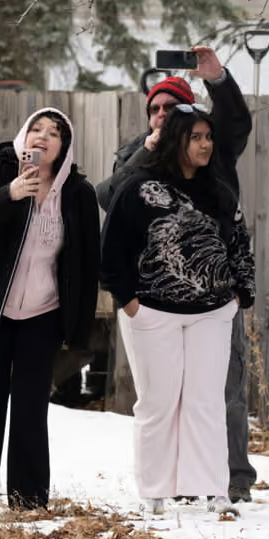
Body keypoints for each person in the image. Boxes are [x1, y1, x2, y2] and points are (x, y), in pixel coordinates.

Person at [95, 47, 257, 504]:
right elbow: (111, 202)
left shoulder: (214, 154)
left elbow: (237, 126)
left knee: (221, 392)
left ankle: (231, 481)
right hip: (155, 305)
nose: (162, 115)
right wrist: (128, 300)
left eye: (172, 107)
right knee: (164, 399)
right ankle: (167, 491)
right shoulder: (136, 156)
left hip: (214, 301)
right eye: (155, 109)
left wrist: (218, 80)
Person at [0, 108, 100, 513]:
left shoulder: (78, 193)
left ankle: (28, 499)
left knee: (31, 406)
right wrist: (11, 194)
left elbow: (87, 263)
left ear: (63, 147)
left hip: (44, 312)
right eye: (36, 129)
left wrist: (78, 330)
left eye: (54, 133)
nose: (43, 137)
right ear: (24, 135)